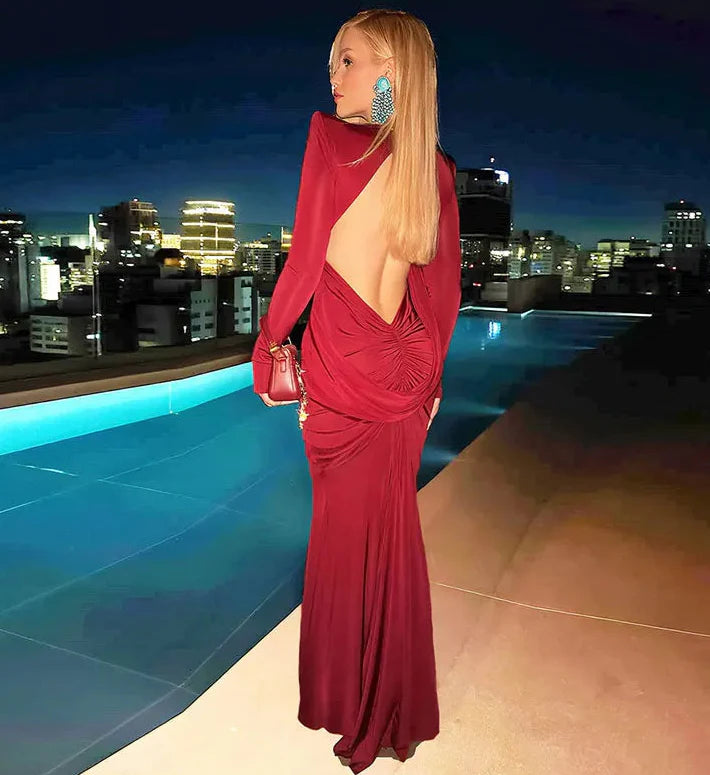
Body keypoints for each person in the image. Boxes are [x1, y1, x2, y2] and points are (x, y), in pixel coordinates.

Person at [251, 8, 461, 773]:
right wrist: (432, 379)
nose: (333, 76)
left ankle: (362, 706)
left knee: (345, 542)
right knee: (391, 536)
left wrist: (268, 346)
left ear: (390, 73)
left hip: (345, 372)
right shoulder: (434, 168)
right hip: (404, 370)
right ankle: (388, 701)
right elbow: (443, 292)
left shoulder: (331, 143)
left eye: (347, 60)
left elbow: (306, 262)